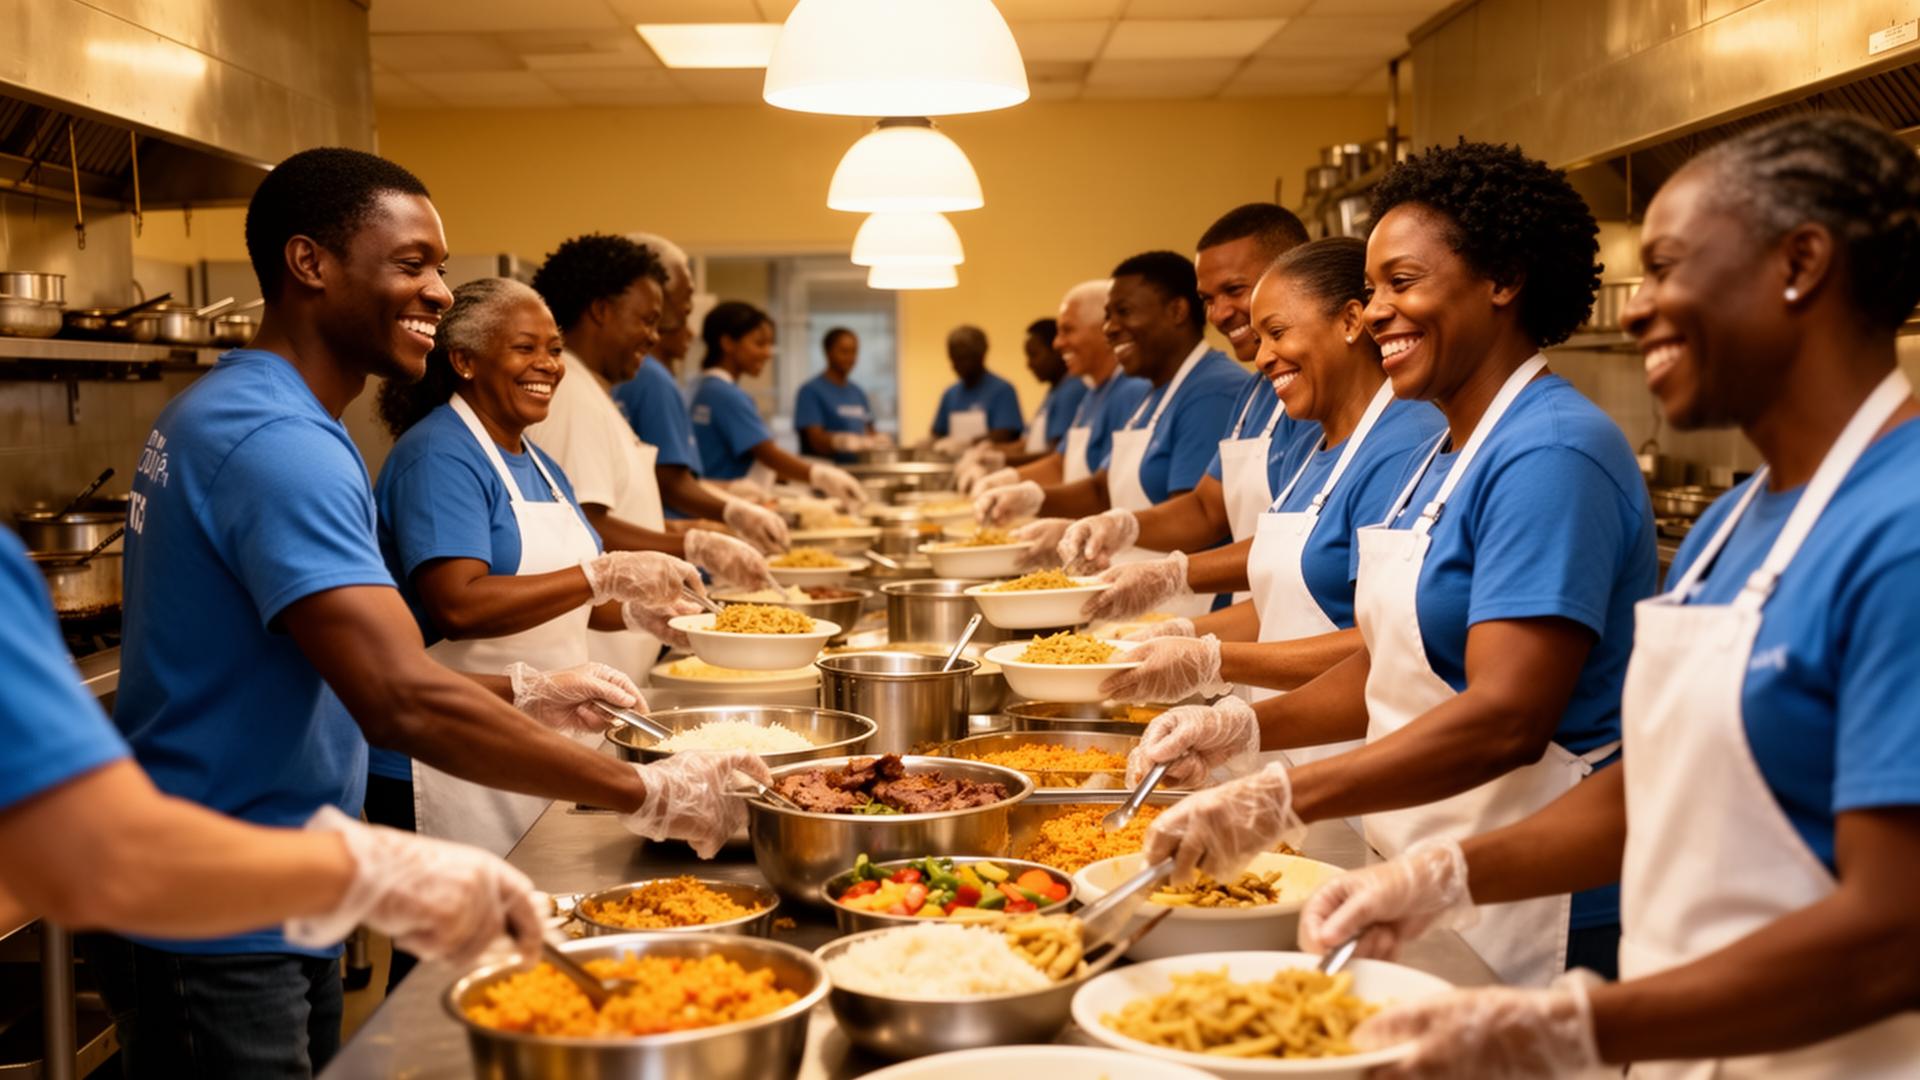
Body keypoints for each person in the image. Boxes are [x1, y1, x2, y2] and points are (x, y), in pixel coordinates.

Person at [90, 148, 770, 1077]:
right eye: (413, 264)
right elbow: (398, 696)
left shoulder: (262, 414)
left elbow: (337, 667)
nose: (441, 292)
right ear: (309, 263)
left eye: (441, 268)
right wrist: (650, 793)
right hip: (213, 899)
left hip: (282, 873)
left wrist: (525, 690)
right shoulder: (278, 440)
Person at [1294, 113, 1920, 1079]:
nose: (1635, 311)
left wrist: (1577, 1027)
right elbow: (1658, 787)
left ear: (1800, 263)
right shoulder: (1732, 524)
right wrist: (1442, 878)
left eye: (1667, 268)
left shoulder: (1901, 530)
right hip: (1692, 1045)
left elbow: (1894, 931)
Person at [1133, 141, 1656, 987]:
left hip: (1525, 898)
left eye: (1401, 283)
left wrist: (1287, 796)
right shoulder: (1439, 453)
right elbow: (1396, 663)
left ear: (1503, 280)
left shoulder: (1551, 453)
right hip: (1411, 851)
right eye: (1372, 289)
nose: (1376, 311)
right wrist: (1246, 729)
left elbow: (1506, 717)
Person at [0, 525, 543, 1070]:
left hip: (257, 898)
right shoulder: (279, 469)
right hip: (226, 920)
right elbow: (94, 855)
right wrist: (371, 870)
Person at [369, 277, 746, 859]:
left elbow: (568, 602)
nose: (547, 365)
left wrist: (638, 615)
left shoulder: (540, 463)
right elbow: (458, 606)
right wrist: (600, 576)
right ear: (465, 361)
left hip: (536, 737)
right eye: (525, 348)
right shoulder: (438, 455)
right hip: (446, 752)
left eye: (554, 349)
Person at [1091, 239, 1446, 728]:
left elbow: (1385, 643)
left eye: (1276, 332)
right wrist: (1179, 634)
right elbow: (1283, 602)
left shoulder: (1408, 445)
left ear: (1350, 321)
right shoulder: (1310, 446)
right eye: (1260, 339)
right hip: (1289, 733)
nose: (1261, 358)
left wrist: (1215, 659)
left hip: (1352, 740)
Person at [526, 235, 780, 679]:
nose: (654, 336)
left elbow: (612, 506)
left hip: (620, 656)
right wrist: (694, 544)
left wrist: (690, 529)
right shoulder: (574, 399)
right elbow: (588, 522)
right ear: (601, 310)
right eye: (646, 320)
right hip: (597, 658)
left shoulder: (594, 394)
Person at [974, 251, 1253, 616]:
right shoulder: (1150, 394)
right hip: (1133, 597)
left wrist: (1121, 529)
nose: (1110, 328)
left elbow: (1199, 518)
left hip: (1186, 606)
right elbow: (1102, 488)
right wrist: (1034, 499)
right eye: (1107, 316)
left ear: (1177, 311)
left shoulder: (1213, 390)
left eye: (1124, 312)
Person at [1051, 204, 1312, 581]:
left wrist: (1172, 575)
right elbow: (1207, 508)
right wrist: (1121, 527)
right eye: (1208, 299)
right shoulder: (1253, 394)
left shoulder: (1231, 390)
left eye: (1234, 290)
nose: (1219, 314)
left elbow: (1302, 546)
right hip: (1249, 609)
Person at [611, 232, 791, 545]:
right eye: (685, 300)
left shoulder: (682, 383)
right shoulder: (654, 379)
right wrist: (733, 511)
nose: (689, 325)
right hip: (659, 534)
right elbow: (670, 481)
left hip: (661, 528)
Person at [689, 300, 868, 508]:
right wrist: (819, 475)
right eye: (759, 344)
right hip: (724, 505)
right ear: (728, 343)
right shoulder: (726, 394)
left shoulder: (703, 388)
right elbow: (768, 454)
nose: (768, 353)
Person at [794, 326, 887, 459]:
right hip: (825, 467)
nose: (850, 357)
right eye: (844, 351)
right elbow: (815, 441)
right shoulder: (810, 391)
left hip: (858, 467)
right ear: (828, 352)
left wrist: (877, 441)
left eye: (854, 352)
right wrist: (840, 442)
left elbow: (870, 430)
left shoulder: (858, 392)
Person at [930, 324, 1024, 453]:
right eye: (953, 358)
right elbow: (937, 433)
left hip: (989, 461)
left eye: (962, 358)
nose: (956, 365)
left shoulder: (1002, 391)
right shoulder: (950, 394)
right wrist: (930, 443)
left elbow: (1004, 435)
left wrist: (967, 444)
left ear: (980, 355)